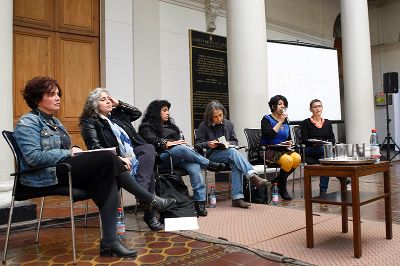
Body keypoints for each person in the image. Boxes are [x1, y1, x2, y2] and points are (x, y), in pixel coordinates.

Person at [14, 77, 176, 258]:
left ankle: (109, 242)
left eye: (58, 94)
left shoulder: (56, 122)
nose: (58, 97)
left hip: (63, 168)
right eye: (51, 94)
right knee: (108, 158)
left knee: (108, 176)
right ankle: (147, 199)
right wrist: (69, 152)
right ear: (37, 99)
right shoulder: (27, 122)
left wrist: (72, 151)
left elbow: (63, 150)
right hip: (44, 174)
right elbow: (33, 158)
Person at [79, 88, 164, 231]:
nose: (107, 101)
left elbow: (136, 113)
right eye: (103, 99)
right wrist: (118, 158)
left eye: (108, 98)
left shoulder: (118, 115)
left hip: (134, 152)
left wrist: (119, 103)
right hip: (115, 158)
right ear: (93, 105)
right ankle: (149, 212)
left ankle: (142, 193)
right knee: (149, 173)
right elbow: (95, 147)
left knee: (149, 148)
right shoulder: (90, 121)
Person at [138, 100, 225, 217]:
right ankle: (208, 163)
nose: (167, 113)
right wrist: (167, 143)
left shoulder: (171, 126)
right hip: (161, 160)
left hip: (178, 158)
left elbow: (180, 142)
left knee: (195, 167)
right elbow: (153, 141)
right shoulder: (146, 127)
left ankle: (200, 203)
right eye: (164, 110)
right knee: (181, 149)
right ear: (155, 113)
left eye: (168, 110)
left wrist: (182, 145)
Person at [194, 100, 269, 208]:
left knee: (235, 162)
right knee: (233, 153)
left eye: (220, 115)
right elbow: (197, 145)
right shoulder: (203, 126)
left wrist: (228, 143)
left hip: (228, 154)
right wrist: (208, 144)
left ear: (223, 113)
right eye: (215, 117)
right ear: (210, 117)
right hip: (212, 156)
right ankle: (252, 175)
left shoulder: (228, 124)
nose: (219, 118)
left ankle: (237, 198)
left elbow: (235, 141)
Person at [260, 95, 301, 200]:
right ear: (273, 106)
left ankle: (276, 182)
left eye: (284, 104)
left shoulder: (285, 120)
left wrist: (289, 143)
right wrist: (280, 122)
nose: (282, 106)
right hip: (268, 151)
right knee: (287, 160)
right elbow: (269, 135)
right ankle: (282, 188)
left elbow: (287, 137)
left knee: (297, 158)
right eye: (279, 104)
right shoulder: (266, 119)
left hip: (283, 149)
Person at [301, 99, 335, 196]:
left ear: (322, 108)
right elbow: (304, 140)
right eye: (315, 107)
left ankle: (323, 190)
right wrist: (313, 143)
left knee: (326, 159)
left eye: (319, 106)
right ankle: (340, 176)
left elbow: (332, 139)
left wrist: (329, 144)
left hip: (323, 151)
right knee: (327, 153)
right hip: (310, 149)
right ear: (310, 109)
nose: (317, 108)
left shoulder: (328, 123)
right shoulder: (305, 123)